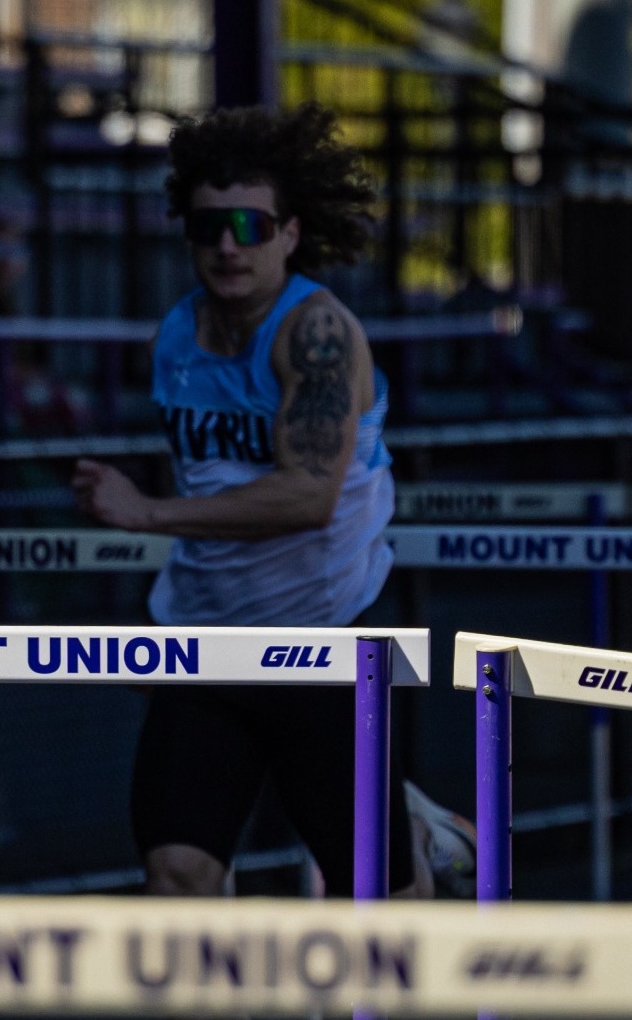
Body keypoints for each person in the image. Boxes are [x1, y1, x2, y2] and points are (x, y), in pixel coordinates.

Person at [72, 103, 472, 898]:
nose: (228, 245)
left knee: (383, 900)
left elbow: (306, 496)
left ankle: (420, 832)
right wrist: (163, 615)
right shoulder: (177, 335)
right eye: (209, 225)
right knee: (176, 874)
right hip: (207, 645)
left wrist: (145, 515)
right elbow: (208, 486)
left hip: (318, 645)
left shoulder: (317, 332)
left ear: (290, 233)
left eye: (251, 225)